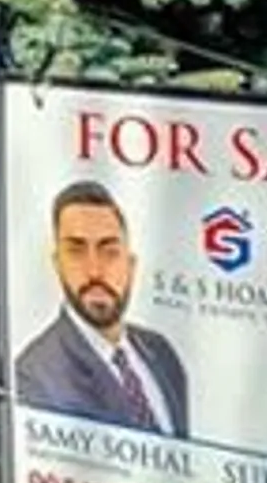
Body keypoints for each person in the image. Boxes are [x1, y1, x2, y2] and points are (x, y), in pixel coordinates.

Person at [13, 181, 189, 434]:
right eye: (76, 251)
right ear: (57, 263)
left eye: (109, 251)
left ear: (130, 264)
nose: (94, 271)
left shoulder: (161, 352)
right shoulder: (36, 375)